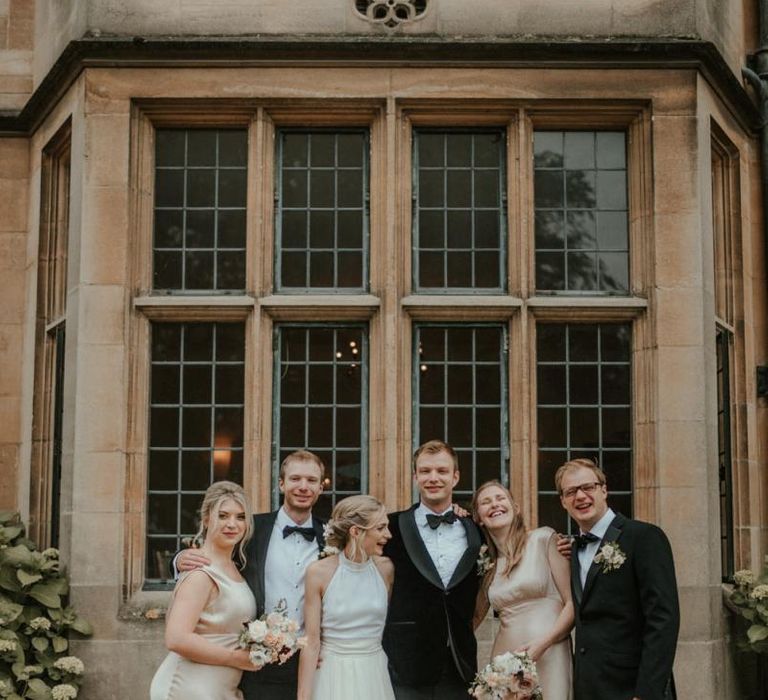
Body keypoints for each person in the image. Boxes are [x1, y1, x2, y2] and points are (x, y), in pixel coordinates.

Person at [174, 450, 326, 699]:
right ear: (281, 483)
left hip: (312, 661)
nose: (303, 487)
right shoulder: (251, 528)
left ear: (321, 487)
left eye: (311, 480)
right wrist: (178, 560)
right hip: (259, 662)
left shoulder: (331, 536)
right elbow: (215, 551)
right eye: (295, 479)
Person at [556, 457, 679, 700]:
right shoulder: (573, 550)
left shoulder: (644, 537)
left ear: (604, 490)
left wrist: (646, 692)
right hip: (588, 686)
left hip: (632, 687)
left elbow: (663, 620)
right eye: (571, 491)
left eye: (588, 487)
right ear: (563, 501)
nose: (580, 496)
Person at [382, 439, 483, 700]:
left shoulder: (476, 529)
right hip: (407, 662)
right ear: (415, 477)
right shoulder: (389, 527)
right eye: (425, 471)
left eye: (442, 471)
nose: (433, 478)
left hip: (459, 661)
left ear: (456, 477)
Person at [150, 481, 257, 700]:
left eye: (240, 517)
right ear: (207, 518)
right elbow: (176, 639)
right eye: (223, 515)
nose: (232, 524)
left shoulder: (235, 568)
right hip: (188, 687)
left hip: (220, 688)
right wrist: (236, 658)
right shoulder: (200, 573)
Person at [472, 480, 574, 700]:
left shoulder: (544, 539)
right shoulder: (488, 565)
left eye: (500, 498)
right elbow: (475, 617)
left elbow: (572, 603)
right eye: (485, 502)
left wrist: (543, 644)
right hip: (505, 659)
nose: (494, 504)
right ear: (478, 517)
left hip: (550, 652)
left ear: (515, 508)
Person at [297, 495, 396, 700]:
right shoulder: (318, 572)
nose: (388, 534)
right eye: (380, 528)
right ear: (356, 532)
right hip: (332, 672)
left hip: (373, 672)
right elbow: (312, 641)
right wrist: (303, 696)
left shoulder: (386, 569)